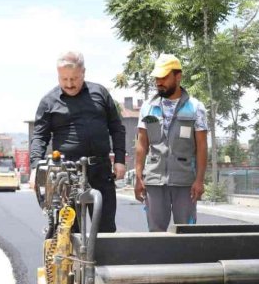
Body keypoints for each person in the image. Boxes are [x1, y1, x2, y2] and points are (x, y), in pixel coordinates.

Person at [30, 51, 126, 233]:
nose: (69, 84)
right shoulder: (48, 101)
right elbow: (39, 137)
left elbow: (117, 128)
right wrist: (35, 168)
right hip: (66, 174)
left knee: (105, 228)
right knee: (68, 229)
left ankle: (102, 261)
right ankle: (70, 260)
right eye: (63, 79)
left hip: (100, 170)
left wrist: (120, 159)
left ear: (84, 72)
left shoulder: (100, 93)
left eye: (74, 78)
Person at [134, 54, 208, 232]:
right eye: (157, 78)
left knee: (186, 232)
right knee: (156, 233)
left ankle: (186, 261)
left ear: (178, 76)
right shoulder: (147, 107)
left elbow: (202, 147)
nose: (159, 82)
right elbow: (142, 144)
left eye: (164, 77)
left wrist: (199, 180)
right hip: (154, 181)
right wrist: (138, 177)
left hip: (185, 182)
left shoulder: (196, 107)